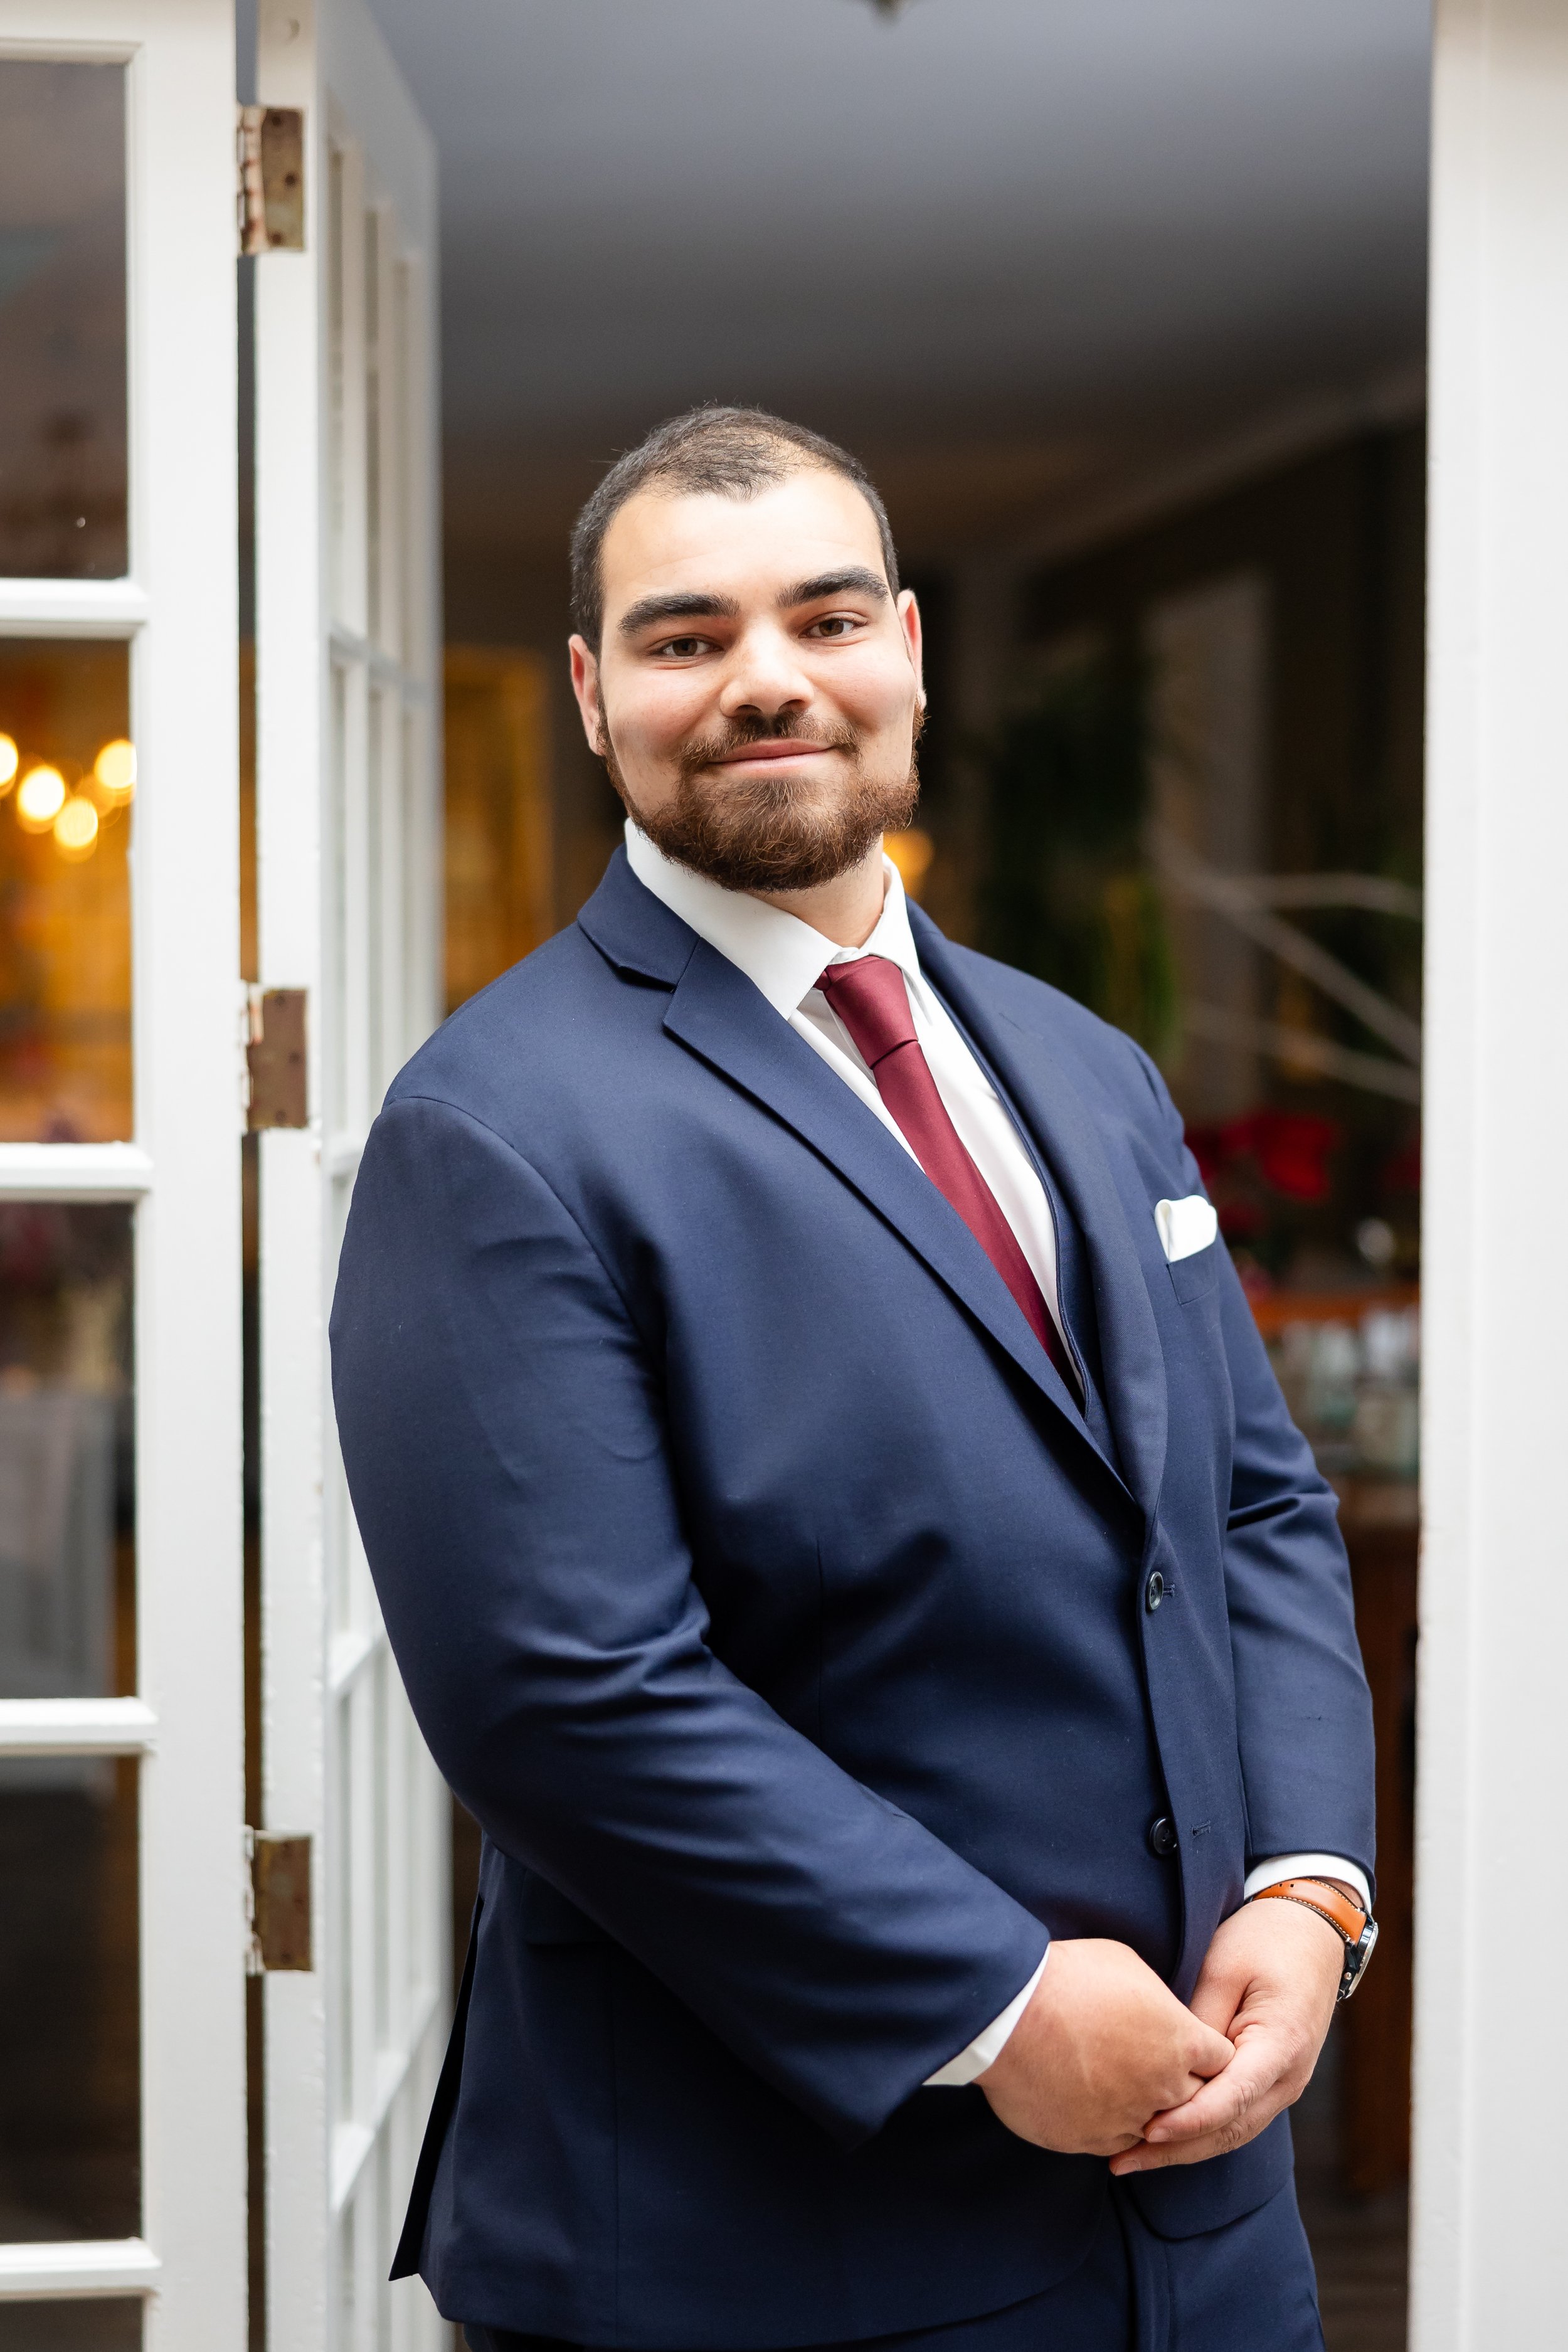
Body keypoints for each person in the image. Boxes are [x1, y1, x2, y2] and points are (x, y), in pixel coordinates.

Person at [330, 406, 1377, 2352]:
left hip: (1201, 2212)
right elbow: (568, 1696)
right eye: (683, 636)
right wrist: (987, 2000)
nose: (766, 682)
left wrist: (1307, 1895)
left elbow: (1241, 1504)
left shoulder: (1087, 1067)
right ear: (588, 691)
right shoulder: (490, 1127)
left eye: (822, 618)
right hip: (767, 2245)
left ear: (908, 648)